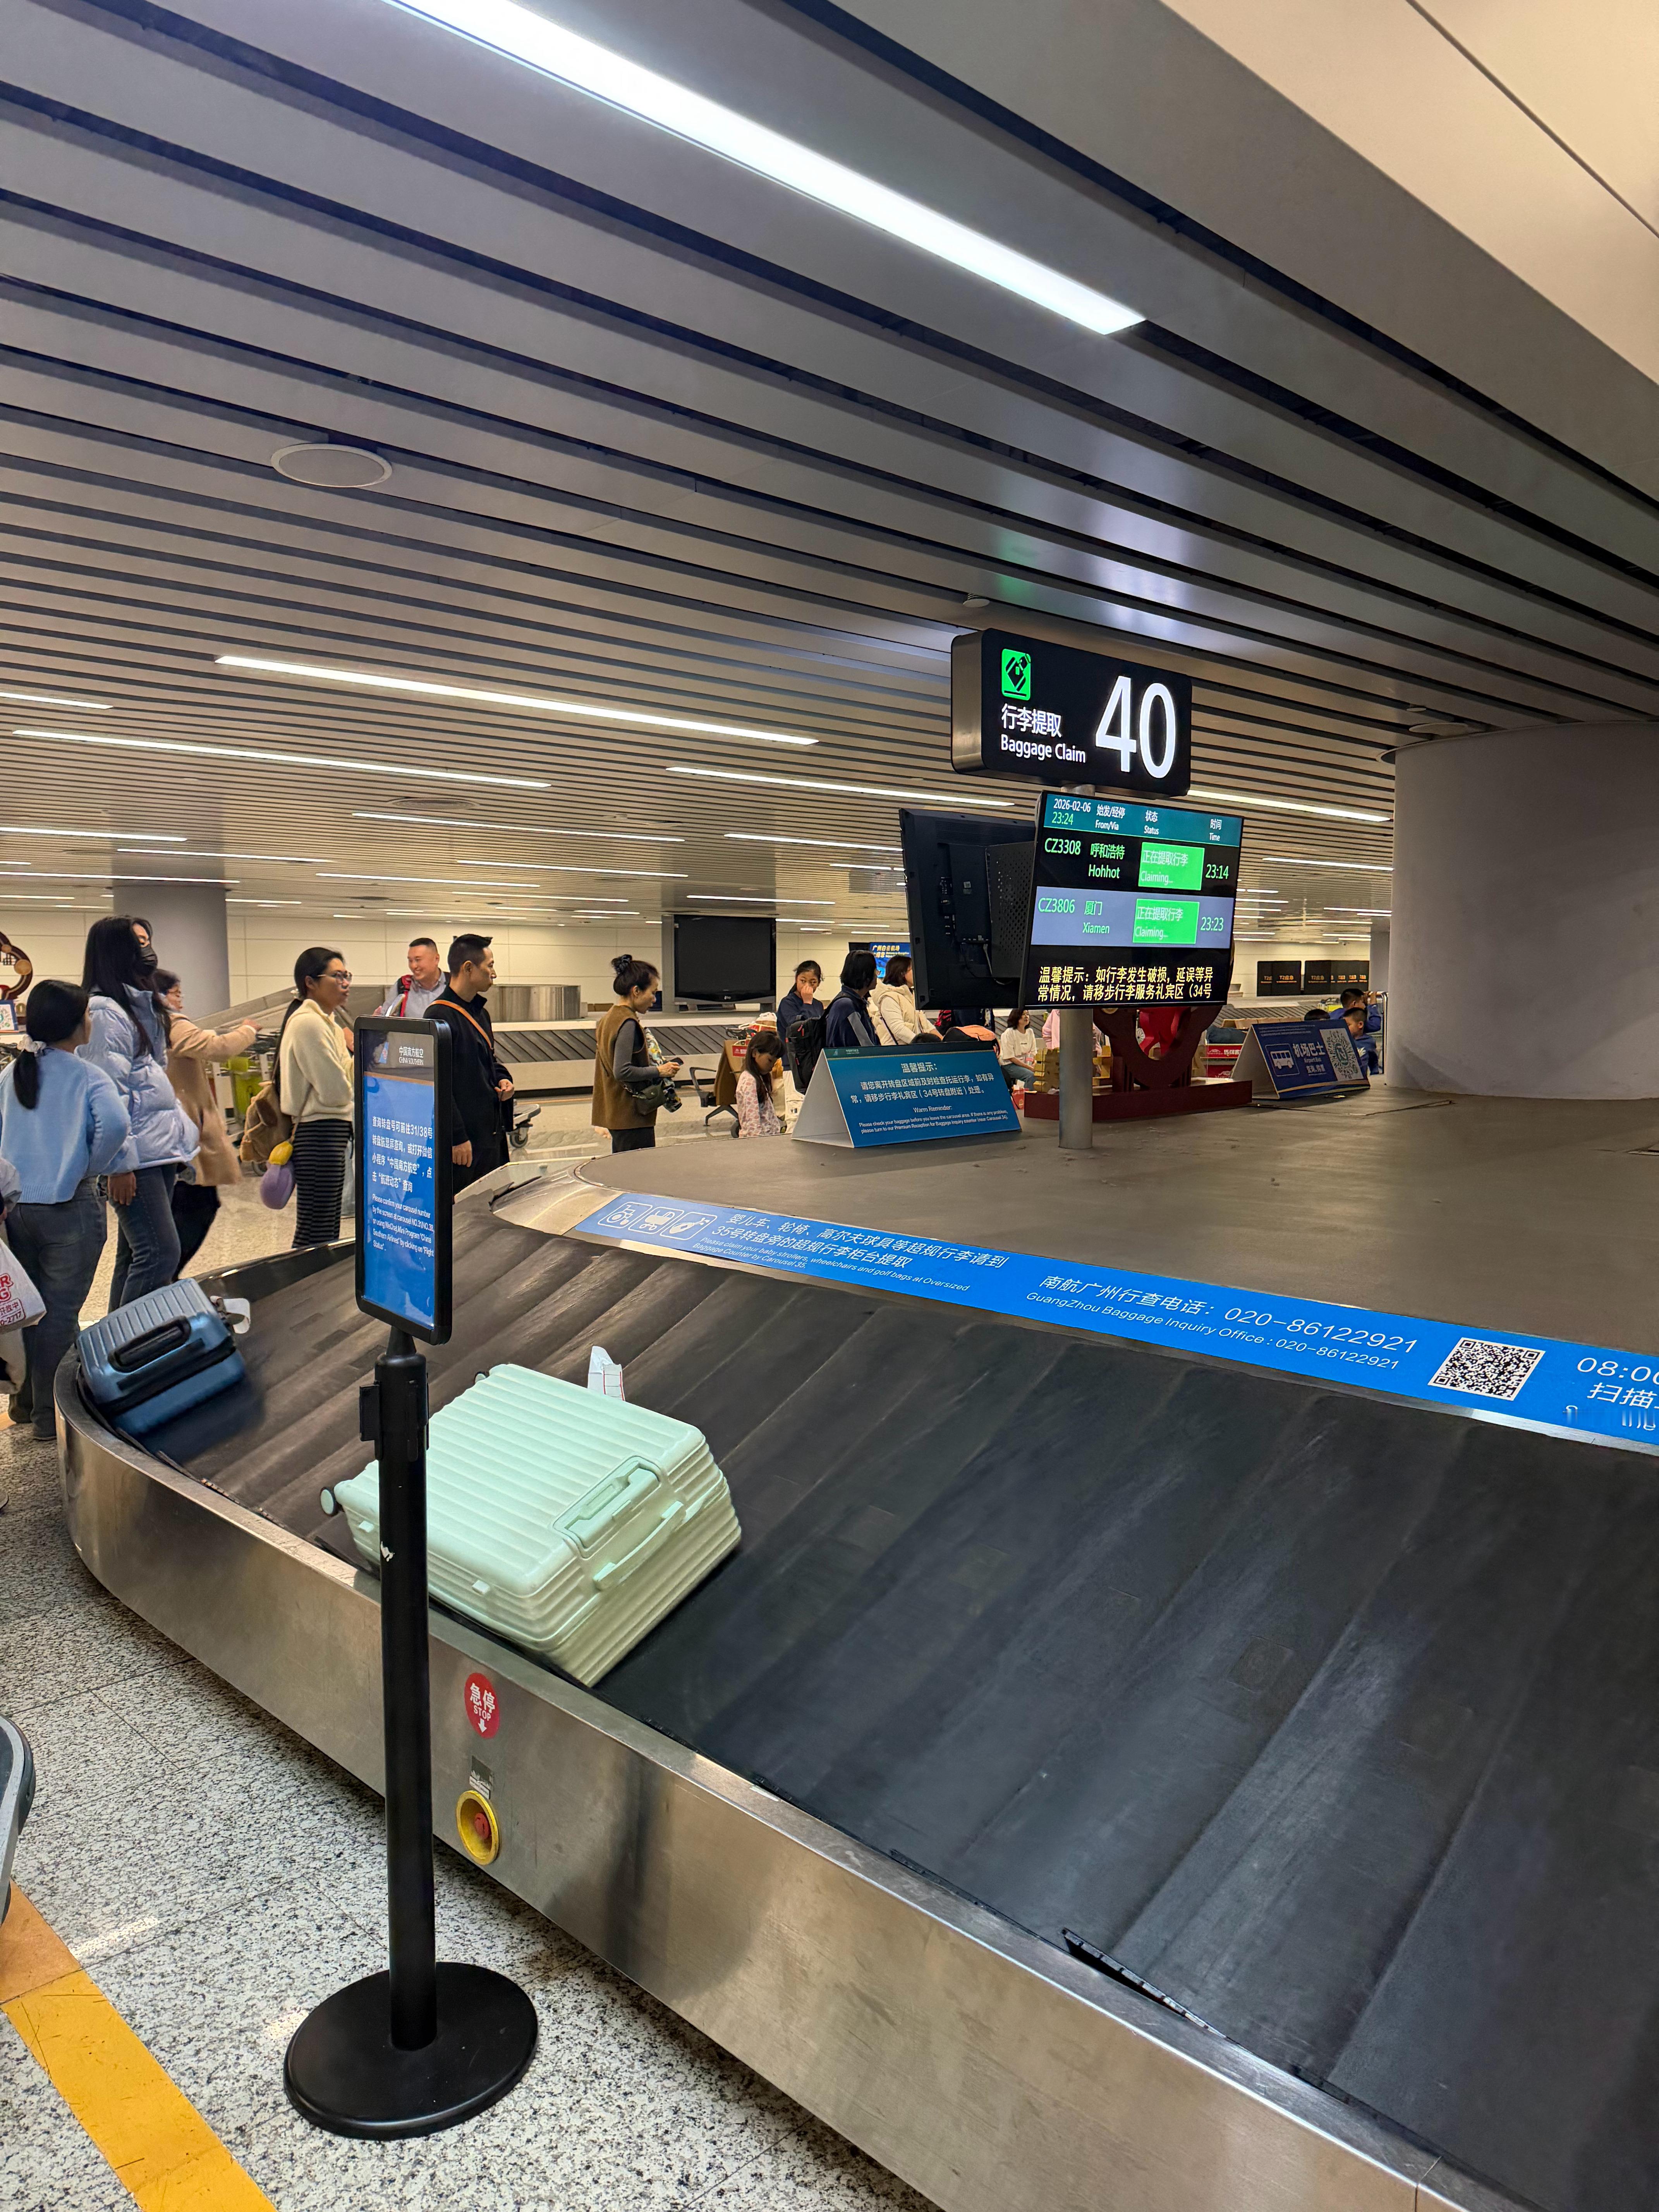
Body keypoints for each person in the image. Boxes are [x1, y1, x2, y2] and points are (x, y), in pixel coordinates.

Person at [0, 981, 132, 1439]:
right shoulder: (87, 1076)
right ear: (74, 1024)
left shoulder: (11, 1074)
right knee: (58, 1314)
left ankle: (27, 1404)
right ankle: (49, 1419)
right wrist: (89, 1167)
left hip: (17, 1211)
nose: (91, 1021)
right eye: (87, 1015)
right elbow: (116, 1125)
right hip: (69, 1207)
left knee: (31, 1312)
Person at [79, 915, 197, 1305]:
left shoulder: (139, 1004)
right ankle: (134, 1340)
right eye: (138, 943)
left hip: (156, 1148)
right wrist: (119, 1164)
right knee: (160, 1253)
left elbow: (151, 1076)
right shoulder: (105, 1012)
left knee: (135, 1255)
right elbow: (107, 1093)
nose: (148, 951)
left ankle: (117, 1335)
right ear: (116, 951)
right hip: (135, 1156)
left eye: (148, 941)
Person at [152, 970, 257, 1275]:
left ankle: (165, 1279)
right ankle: (166, 1280)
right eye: (175, 993)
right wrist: (247, 1030)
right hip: (186, 1137)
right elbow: (217, 1048)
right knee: (195, 1208)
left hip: (171, 1134)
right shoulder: (172, 1023)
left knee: (188, 1207)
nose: (181, 999)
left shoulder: (151, 1024)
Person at [276, 947, 354, 1248]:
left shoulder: (329, 1023)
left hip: (333, 1132)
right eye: (337, 976)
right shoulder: (308, 1023)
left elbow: (346, 1077)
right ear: (310, 982)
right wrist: (346, 1086)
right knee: (316, 1230)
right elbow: (336, 1092)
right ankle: (302, 1279)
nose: (345, 983)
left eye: (347, 976)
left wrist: (362, 1045)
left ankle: (314, 1278)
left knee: (326, 1226)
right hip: (318, 1134)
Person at [428, 934, 514, 1191]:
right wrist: (457, 1137)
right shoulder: (439, 1016)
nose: (494, 973)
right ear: (468, 968)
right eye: (490, 966)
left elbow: (488, 1061)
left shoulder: (480, 1013)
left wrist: (503, 1078)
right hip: (466, 1142)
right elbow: (438, 1085)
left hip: (490, 1134)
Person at [592, 954, 680, 1153]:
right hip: (631, 1117)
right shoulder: (628, 1023)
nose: (654, 999)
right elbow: (622, 1071)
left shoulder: (609, 1018)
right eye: (653, 993)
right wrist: (660, 1071)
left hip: (615, 1112)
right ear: (636, 991)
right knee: (639, 1168)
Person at [870, 953, 939, 1047]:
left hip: (915, 1049)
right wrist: (920, 1044)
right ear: (902, 973)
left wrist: (942, 1040)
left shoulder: (911, 995)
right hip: (900, 1052)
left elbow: (924, 1023)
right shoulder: (889, 997)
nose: (917, 974)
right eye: (913, 970)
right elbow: (898, 1028)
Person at [776, 960, 826, 1090]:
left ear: (818, 983)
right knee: (797, 1102)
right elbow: (798, 1029)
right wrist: (807, 1003)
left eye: (813, 982)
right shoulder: (787, 1003)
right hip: (794, 1066)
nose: (807, 986)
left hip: (816, 1064)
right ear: (796, 979)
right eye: (803, 981)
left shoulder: (818, 1005)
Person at [823, 950, 881, 1048]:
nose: (877, 976)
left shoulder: (853, 1002)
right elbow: (865, 1047)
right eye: (876, 971)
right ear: (865, 975)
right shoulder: (846, 1006)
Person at [378, 936, 445, 1020]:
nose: (413, 966)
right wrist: (376, 1021)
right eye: (410, 961)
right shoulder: (403, 986)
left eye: (418, 960)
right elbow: (384, 1020)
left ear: (436, 959)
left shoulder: (453, 985)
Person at [735, 1034, 784, 1138]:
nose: (772, 1066)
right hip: (758, 1140)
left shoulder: (759, 1078)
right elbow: (753, 1119)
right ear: (755, 1053)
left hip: (767, 1139)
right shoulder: (749, 1081)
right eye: (770, 1060)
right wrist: (758, 1142)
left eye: (775, 1062)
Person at [1342, 1003, 1381, 1075]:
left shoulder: (1369, 1042)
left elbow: (1373, 1060)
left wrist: (1375, 1073)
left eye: (1348, 1025)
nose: (1345, 1028)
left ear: (1360, 1025)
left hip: (1361, 1079)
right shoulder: (1342, 1041)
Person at [998, 1007, 1037, 1076]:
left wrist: (1034, 1064)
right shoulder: (1008, 1033)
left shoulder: (1030, 1032)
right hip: (1010, 1065)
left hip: (1027, 1063)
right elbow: (1011, 1058)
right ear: (1016, 1017)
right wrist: (1028, 1068)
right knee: (1031, 1076)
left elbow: (1033, 1052)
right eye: (1023, 1014)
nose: (1026, 1017)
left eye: (1027, 1014)